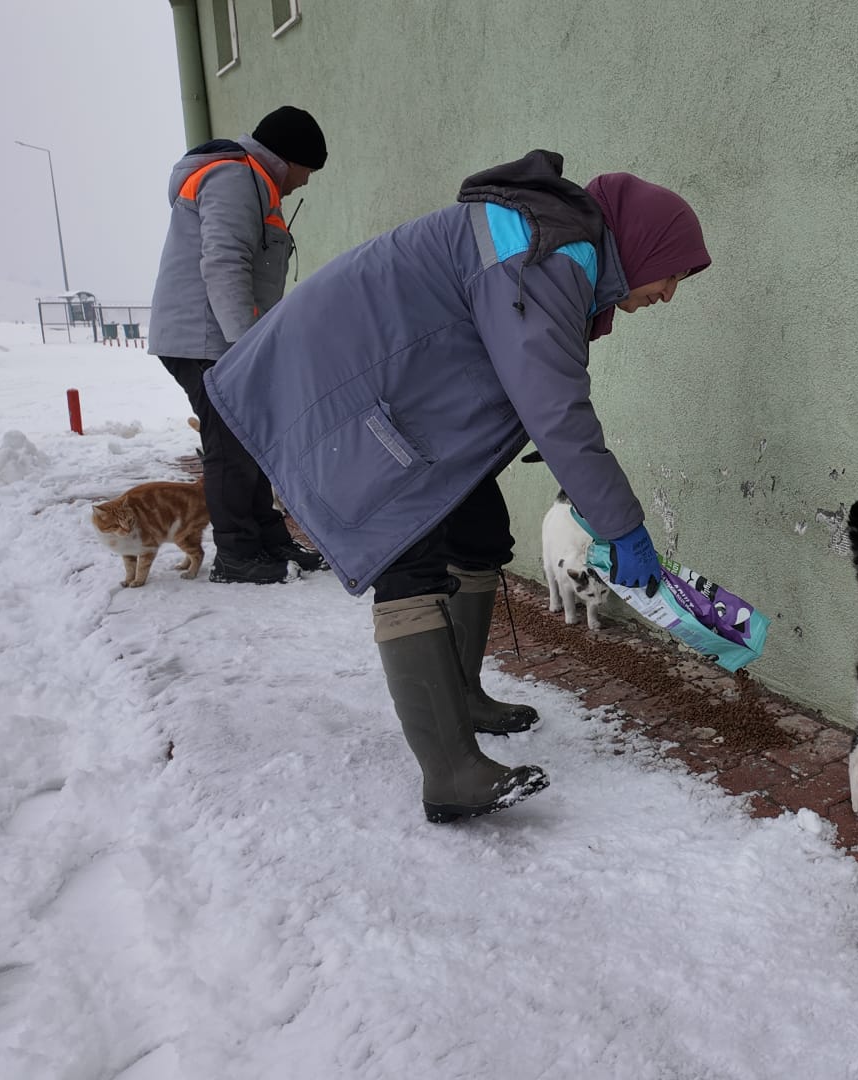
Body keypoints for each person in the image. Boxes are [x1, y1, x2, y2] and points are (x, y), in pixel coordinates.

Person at [205, 149, 710, 823]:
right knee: (406, 552)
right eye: (672, 275)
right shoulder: (549, 256)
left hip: (387, 388)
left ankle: (462, 697)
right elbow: (556, 409)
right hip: (335, 387)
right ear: (644, 247)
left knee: (478, 531)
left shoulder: (555, 246)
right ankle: (449, 772)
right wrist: (622, 526)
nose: (669, 294)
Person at [148, 105, 331, 584]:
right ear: (288, 159)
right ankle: (236, 554)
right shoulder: (234, 178)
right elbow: (224, 263)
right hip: (206, 340)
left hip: (220, 339)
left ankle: (268, 539)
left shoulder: (253, 182)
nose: (305, 182)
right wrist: (246, 348)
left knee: (248, 438)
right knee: (230, 445)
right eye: (308, 170)